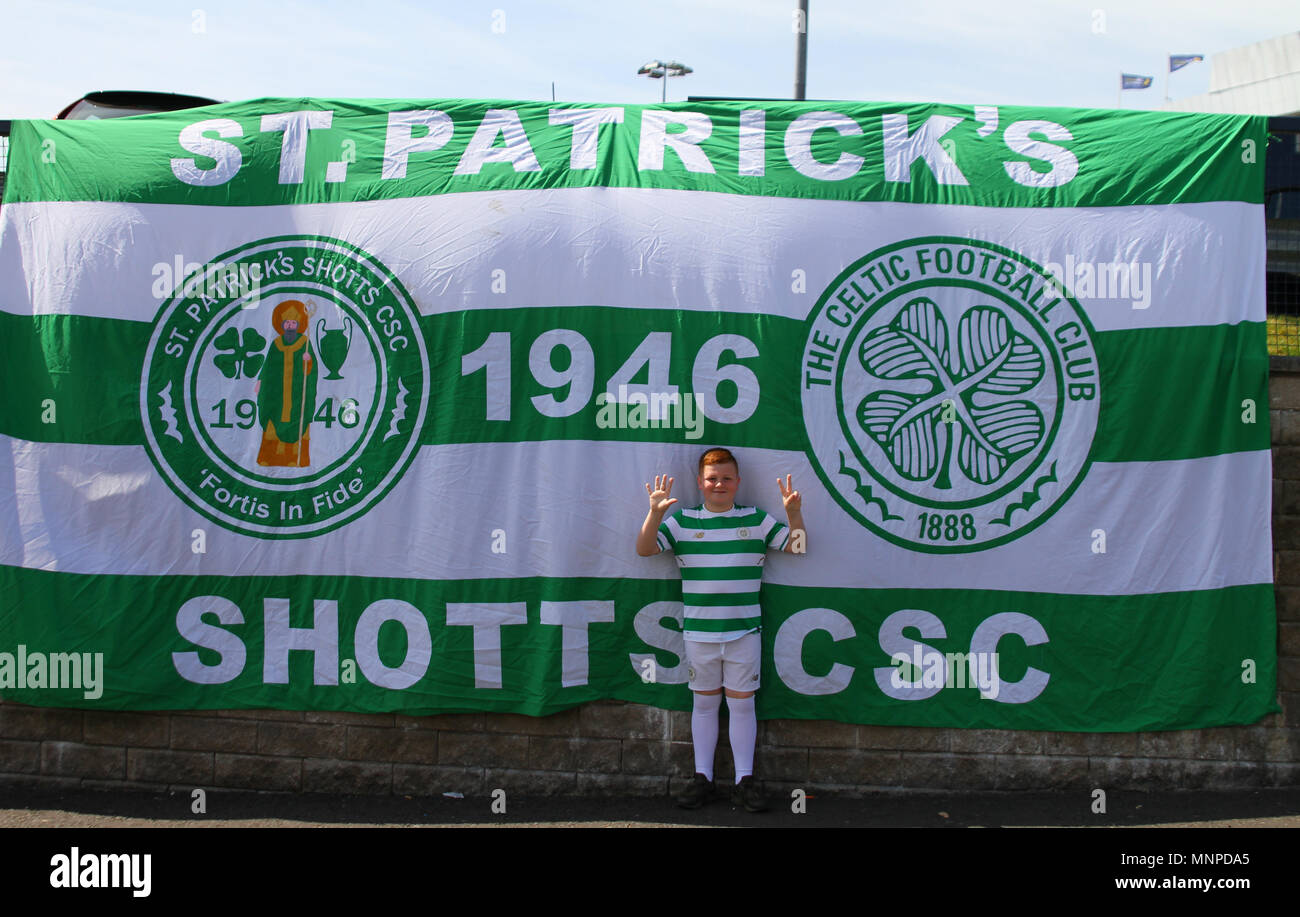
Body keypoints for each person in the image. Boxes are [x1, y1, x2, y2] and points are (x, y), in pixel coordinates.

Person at [636, 447, 805, 812]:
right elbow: (644, 549)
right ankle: (703, 779)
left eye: (727, 478)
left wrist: (794, 515)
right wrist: (654, 513)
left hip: (744, 632)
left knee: (743, 706)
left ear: (738, 482)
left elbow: (798, 547)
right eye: (712, 478)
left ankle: (744, 780)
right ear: (700, 482)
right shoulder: (681, 521)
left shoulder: (757, 520)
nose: (719, 484)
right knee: (705, 704)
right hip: (700, 634)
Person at [254, 299, 317, 467]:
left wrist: (308, 360)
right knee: (272, 422)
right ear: (282, 325)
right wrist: (260, 380)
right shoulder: (276, 344)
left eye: (293, 322)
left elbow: (312, 370)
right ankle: (269, 458)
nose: (290, 325)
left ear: (298, 325)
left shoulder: (304, 343)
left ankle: (296, 460)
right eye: (287, 322)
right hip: (277, 395)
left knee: (298, 422)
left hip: (296, 393)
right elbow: (267, 365)